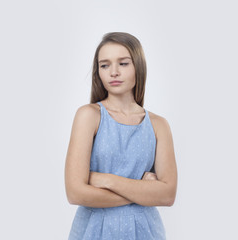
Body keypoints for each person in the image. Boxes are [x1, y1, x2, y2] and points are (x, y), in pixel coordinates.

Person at [64, 32, 177, 240]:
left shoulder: (158, 125)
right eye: (104, 65)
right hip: (94, 231)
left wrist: (103, 179)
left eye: (123, 63)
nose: (113, 72)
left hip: (145, 232)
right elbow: (75, 193)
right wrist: (143, 191)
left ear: (138, 67)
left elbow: (167, 195)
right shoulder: (89, 116)